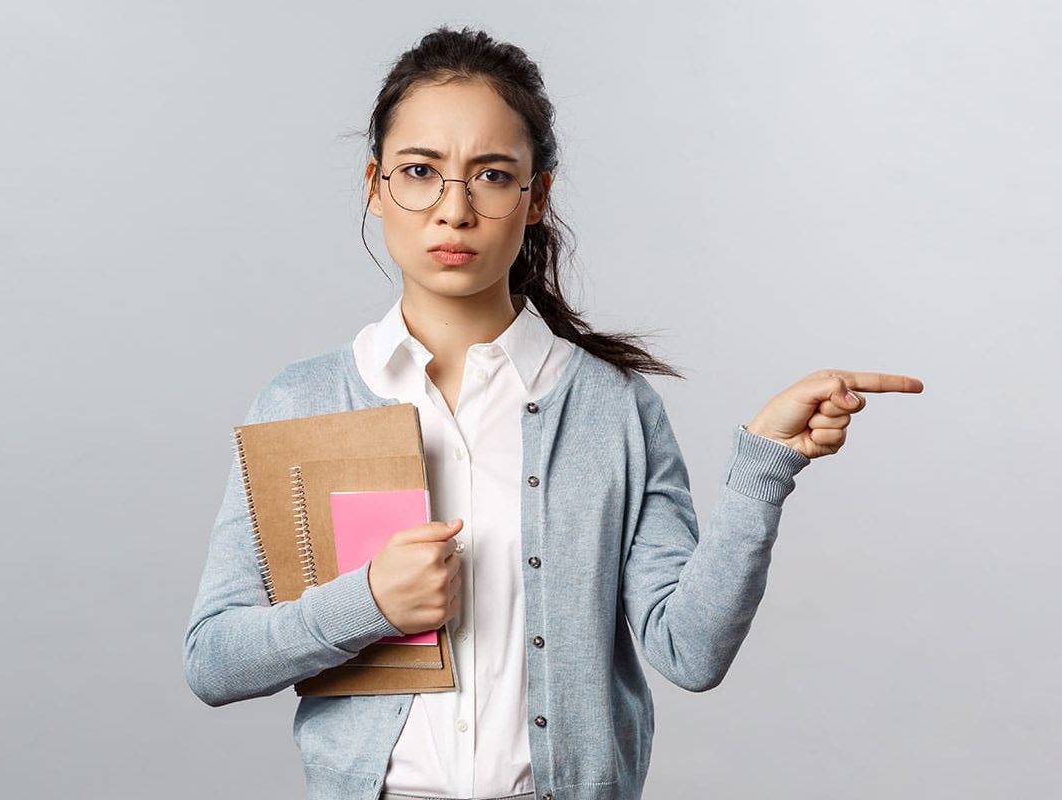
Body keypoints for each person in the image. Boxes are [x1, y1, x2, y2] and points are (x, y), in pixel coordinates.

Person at [183, 25, 925, 800]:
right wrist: (366, 603)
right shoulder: (302, 404)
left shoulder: (614, 409)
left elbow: (689, 651)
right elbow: (213, 660)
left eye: (493, 176)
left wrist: (762, 469)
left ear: (536, 196)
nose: (454, 209)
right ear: (374, 186)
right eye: (419, 171)